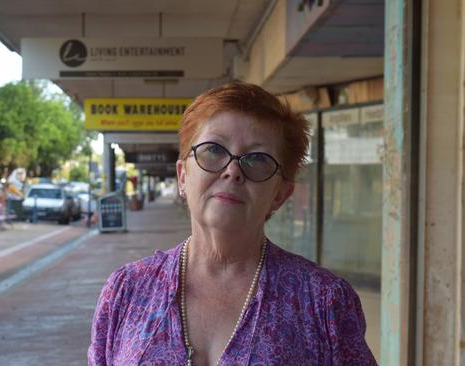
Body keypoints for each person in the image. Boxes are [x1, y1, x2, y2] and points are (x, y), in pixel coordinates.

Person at [88, 82, 377, 365]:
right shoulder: (127, 291)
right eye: (214, 150)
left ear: (280, 194)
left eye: (257, 159)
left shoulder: (324, 302)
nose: (233, 171)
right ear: (183, 176)